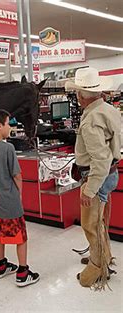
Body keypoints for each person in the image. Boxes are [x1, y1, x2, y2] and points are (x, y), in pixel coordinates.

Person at [65, 67, 120, 289]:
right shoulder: (108, 109)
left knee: (91, 225)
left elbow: (100, 159)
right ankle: (104, 256)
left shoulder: (90, 121)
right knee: (99, 223)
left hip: (97, 178)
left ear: (80, 95)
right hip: (110, 175)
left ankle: (97, 268)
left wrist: (89, 189)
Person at [0, 109, 40, 287]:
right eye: (8, 123)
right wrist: (19, 194)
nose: (10, 127)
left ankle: (1, 265)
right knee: (20, 237)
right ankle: (23, 272)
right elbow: (17, 175)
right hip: (10, 200)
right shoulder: (8, 148)